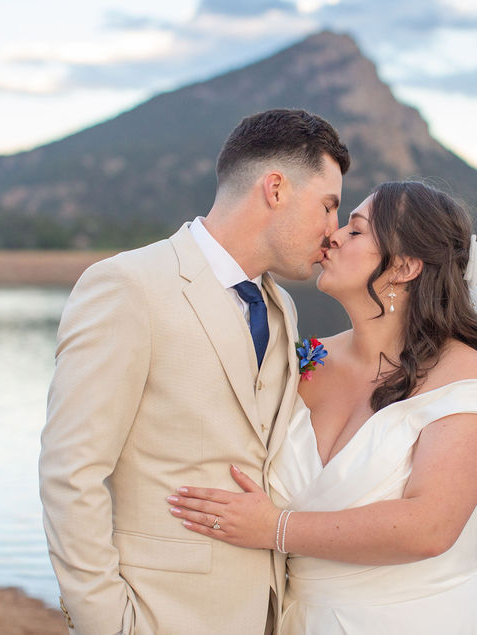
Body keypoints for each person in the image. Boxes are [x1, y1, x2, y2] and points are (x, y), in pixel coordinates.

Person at [39, 109, 350, 635]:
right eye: (328, 206)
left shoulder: (281, 309)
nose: (333, 231)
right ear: (275, 188)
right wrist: (107, 623)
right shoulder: (128, 286)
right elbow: (71, 473)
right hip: (160, 615)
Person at [167, 180, 477, 633]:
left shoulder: (463, 375)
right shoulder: (303, 360)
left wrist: (275, 529)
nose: (332, 235)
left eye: (356, 230)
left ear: (406, 266)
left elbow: (430, 527)